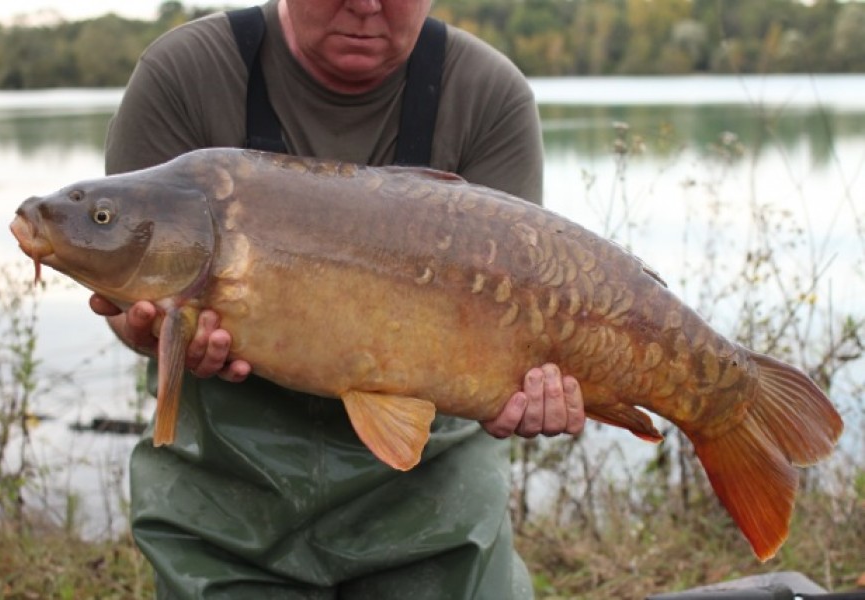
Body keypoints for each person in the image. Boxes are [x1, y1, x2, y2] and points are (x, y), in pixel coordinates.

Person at [92, 1, 586, 597]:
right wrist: (146, 330)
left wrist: (534, 392)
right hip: (228, 499)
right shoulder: (187, 73)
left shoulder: (487, 93)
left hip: (433, 497)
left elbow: (524, 313)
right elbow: (130, 302)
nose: (365, 4)